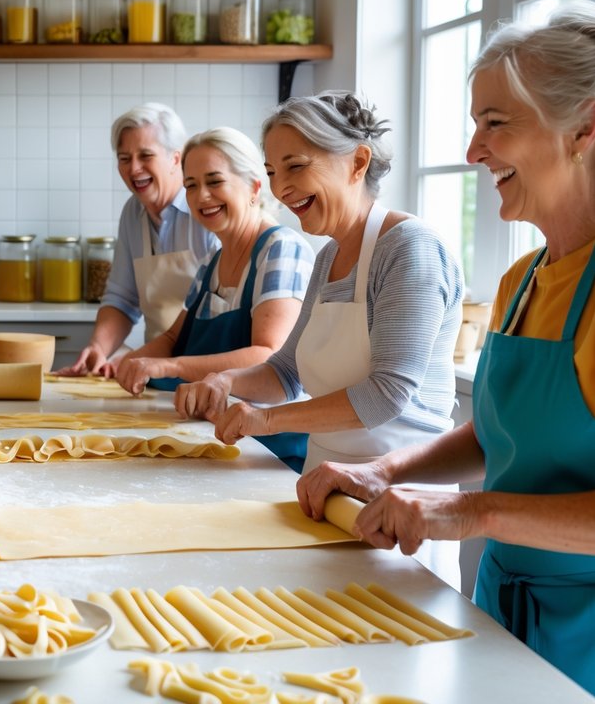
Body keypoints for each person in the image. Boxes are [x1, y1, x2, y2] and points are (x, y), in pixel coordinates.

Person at [297, 3, 595, 694]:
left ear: (583, 126)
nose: (471, 152)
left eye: (494, 123)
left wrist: (468, 512)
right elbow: (500, 435)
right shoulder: (521, 281)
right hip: (504, 612)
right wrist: (382, 471)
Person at [178, 92, 464, 585]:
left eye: (295, 166)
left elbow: (388, 394)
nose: (281, 187)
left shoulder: (411, 248)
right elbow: (287, 372)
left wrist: (265, 420)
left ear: (357, 162)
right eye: (271, 172)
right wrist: (227, 381)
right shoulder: (329, 256)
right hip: (321, 492)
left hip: (397, 498)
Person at [113, 127, 313, 468]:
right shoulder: (214, 260)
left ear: (253, 186)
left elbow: (268, 354)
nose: (201, 196)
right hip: (216, 434)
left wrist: (170, 366)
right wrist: (127, 365)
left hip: (269, 448)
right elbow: (175, 337)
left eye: (214, 182)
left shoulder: (281, 249)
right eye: (191, 185)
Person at [57, 103, 219, 377]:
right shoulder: (132, 213)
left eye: (146, 155)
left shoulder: (207, 210)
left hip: (212, 369)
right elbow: (122, 298)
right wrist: (99, 347)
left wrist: (137, 359)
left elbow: (221, 305)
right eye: (124, 158)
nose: (134, 169)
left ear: (175, 159)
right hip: (156, 372)